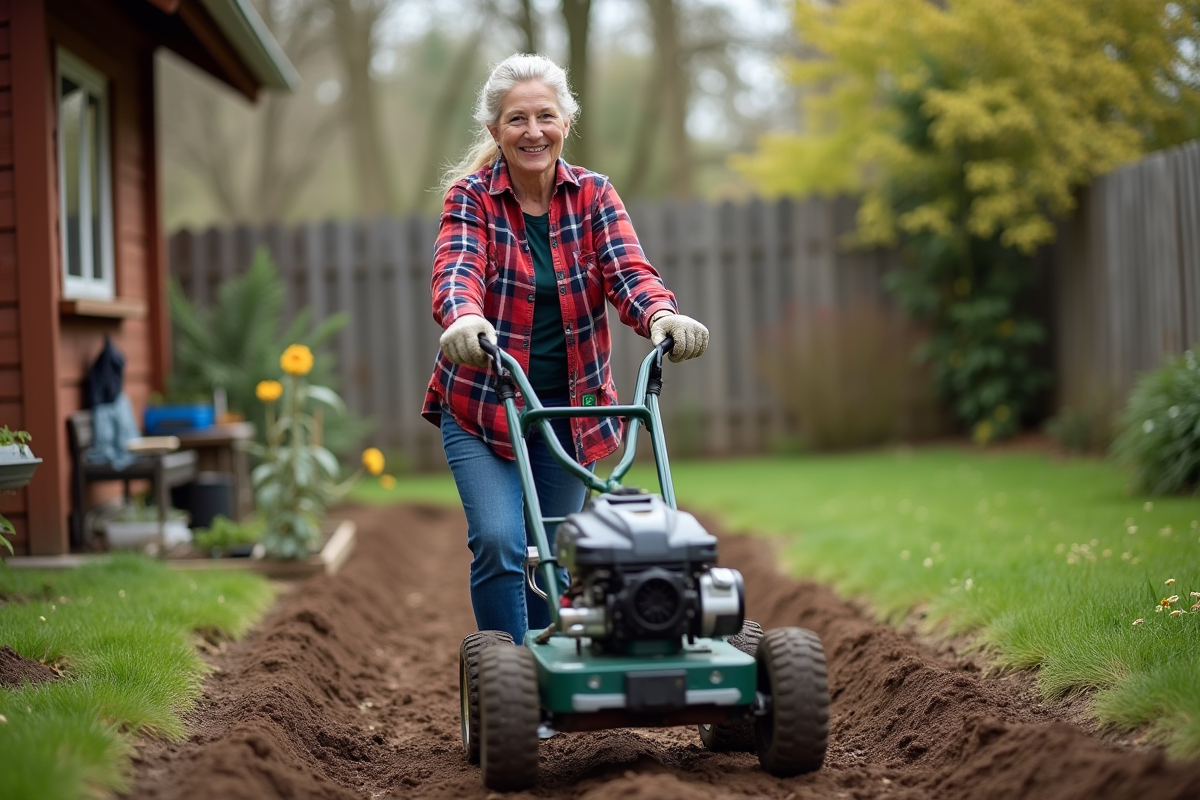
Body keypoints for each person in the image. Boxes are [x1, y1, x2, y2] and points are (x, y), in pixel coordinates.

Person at [423, 53, 709, 645]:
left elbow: (629, 273)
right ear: (494, 131)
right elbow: (457, 269)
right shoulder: (471, 198)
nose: (533, 132)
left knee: (555, 549)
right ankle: (512, 683)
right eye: (517, 120)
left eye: (545, 117)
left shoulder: (595, 196)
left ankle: (550, 667)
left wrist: (662, 316)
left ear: (566, 123)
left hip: (569, 415)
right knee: (502, 540)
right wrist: (465, 318)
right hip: (485, 407)